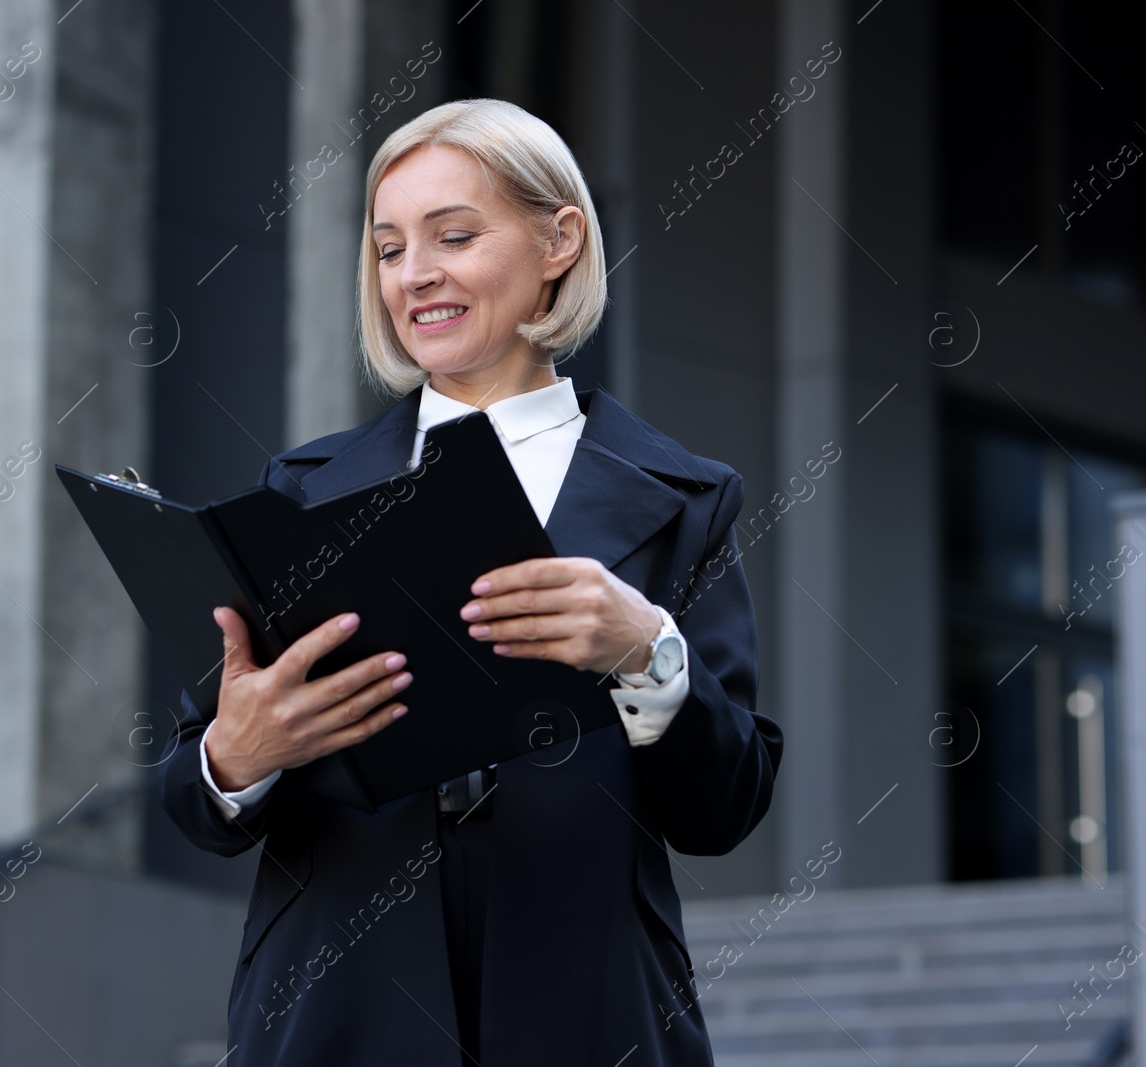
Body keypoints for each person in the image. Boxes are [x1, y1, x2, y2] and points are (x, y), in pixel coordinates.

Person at [161, 98, 781, 1066]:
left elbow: (724, 806)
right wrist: (234, 757)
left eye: (454, 235)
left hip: (587, 1006)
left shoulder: (685, 498)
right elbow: (193, 802)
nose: (417, 275)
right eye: (389, 247)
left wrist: (648, 654)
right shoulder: (297, 491)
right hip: (338, 1005)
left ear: (557, 241)